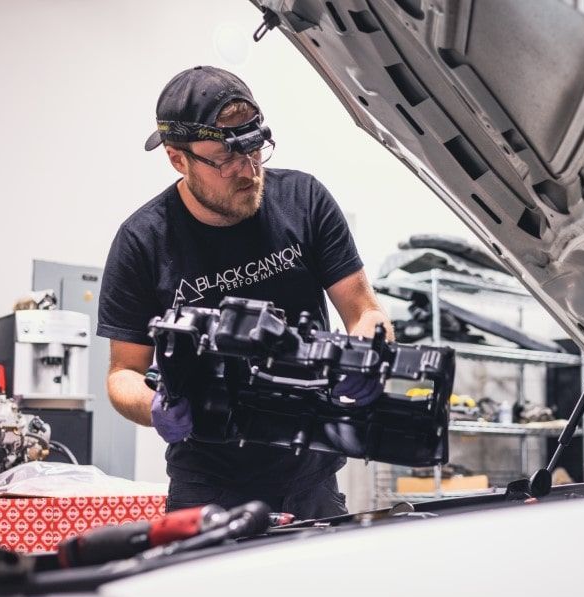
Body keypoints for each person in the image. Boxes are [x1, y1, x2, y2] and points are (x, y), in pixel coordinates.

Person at [97, 65, 394, 518]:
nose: (249, 170)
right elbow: (123, 374)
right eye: (225, 159)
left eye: (255, 149)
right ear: (178, 158)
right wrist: (154, 404)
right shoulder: (143, 240)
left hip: (309, 472)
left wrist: (370, 351)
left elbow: (363, 310)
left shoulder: (304, 199)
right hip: (206, 480)